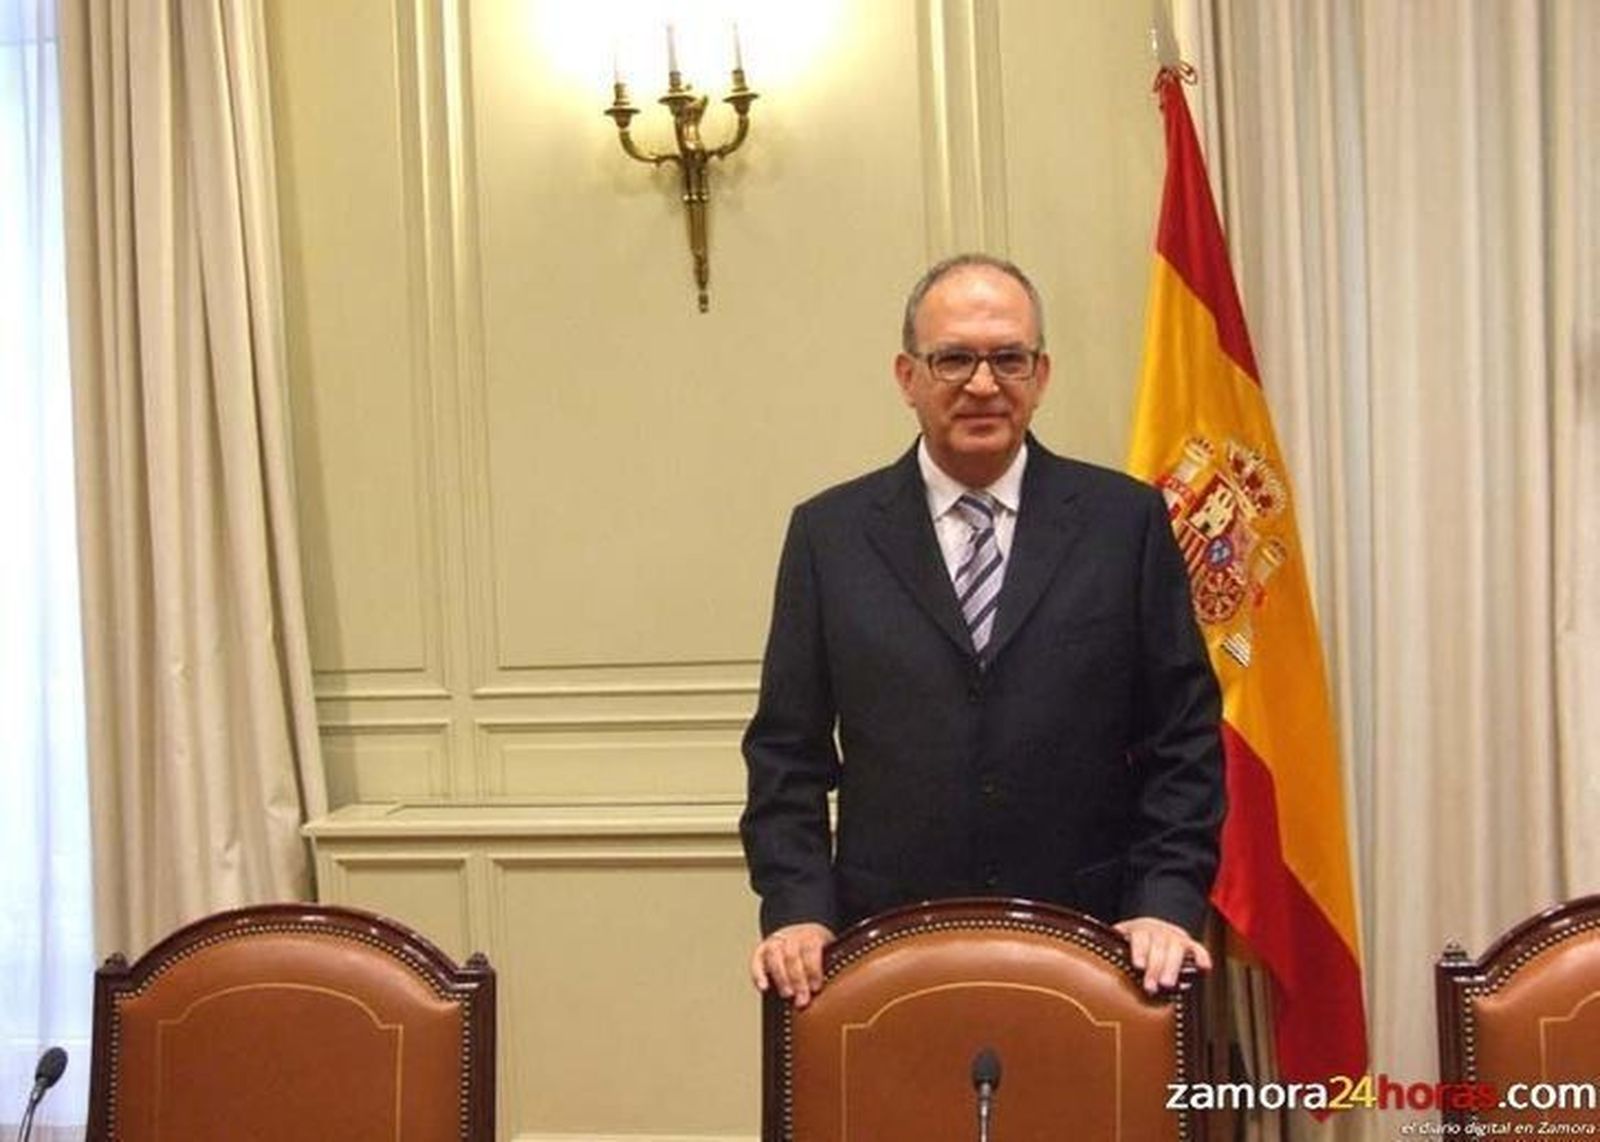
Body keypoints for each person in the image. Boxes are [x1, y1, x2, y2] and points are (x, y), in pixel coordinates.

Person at [739, 253, 1226, 1006]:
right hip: (884, 947)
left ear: (1041, 373)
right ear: (907, 376)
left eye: (1008, 358)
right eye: (954, 359)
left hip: (1096, 944)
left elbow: (1183, 741)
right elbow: (786, 753)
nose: (982, 384)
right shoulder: (828, 535)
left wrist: (1162, 903)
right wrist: (799, 910)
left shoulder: (1123, 524)